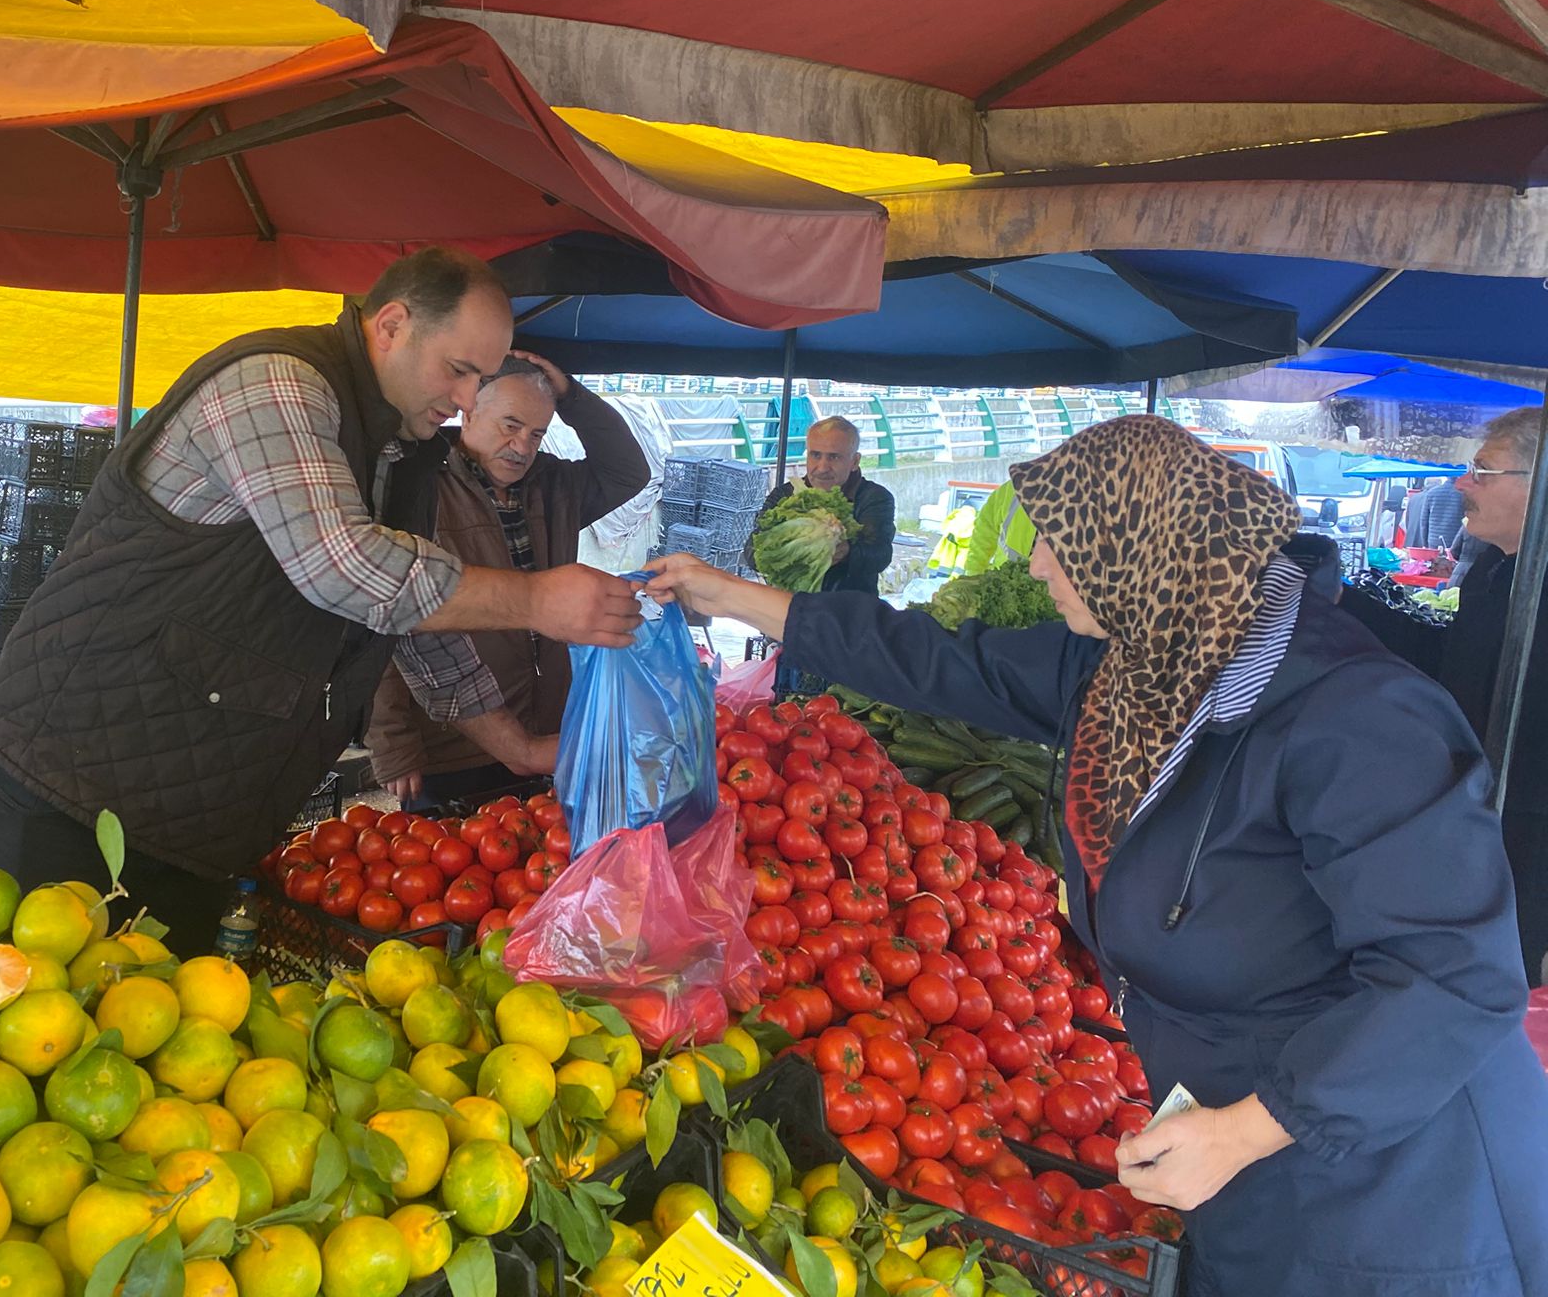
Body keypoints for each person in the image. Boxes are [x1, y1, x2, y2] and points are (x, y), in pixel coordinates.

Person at [647, 416, 1548, 1297]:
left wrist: (1249, 1131)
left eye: (1060, 542)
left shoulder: (1359, 718)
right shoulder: (1134, 672)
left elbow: (1452, 976)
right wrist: (731, 596)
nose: (1038, 567)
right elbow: (936, 658)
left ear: (1140, 547)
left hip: (1406, 1194)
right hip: (1247, 1161)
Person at [0, 247, 642, 951]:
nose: (469, 400)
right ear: (390, 327)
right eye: (460, 371)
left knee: (160, 1033)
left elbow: (413, 626)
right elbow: (343, 566)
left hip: (201, 809)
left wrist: (523, 749)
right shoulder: (276, 386)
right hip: (76, 779)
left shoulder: (399, 451)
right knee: (34, 1016)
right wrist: (534, 599)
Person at [364, 353, 650, 803]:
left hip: (549, 728)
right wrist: (394, 740)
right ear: (471, 408)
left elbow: (629, 471)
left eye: (537, 433)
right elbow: (384, 618)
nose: (522, 446)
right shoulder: (416, 485)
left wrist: (573, 398)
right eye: (510, 425)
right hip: (454, 740)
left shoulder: (554, 484)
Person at [1344, 406, 1547, 980]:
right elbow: (1443, 660)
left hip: (1531, 835)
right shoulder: (1495, 571)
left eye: (1484, 470)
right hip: (1479, 809)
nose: (1462, 482)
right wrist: (1343, 603)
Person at [762, 416, 895, 593]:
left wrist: (847, 552)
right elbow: (752, 550)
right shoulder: (784, 494)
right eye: (815, 455)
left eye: (834, 457)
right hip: (788, 606)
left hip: (849, 610)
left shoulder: (874, 498)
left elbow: (880, 555)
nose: (822, 467)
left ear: (854, 461)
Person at [963, 480, 1036, 575]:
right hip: (1002, 582)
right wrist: (973, 574)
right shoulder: (1011, 489)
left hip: (1050, 585)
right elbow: (984, 533)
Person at [1403, 474, 1466, 550]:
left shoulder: (1431, 493)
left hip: (1433, 540)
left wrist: (1425, 544)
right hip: (1455, 540)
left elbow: (1424, 522)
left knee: (1434, 561)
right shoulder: (1463, 495)